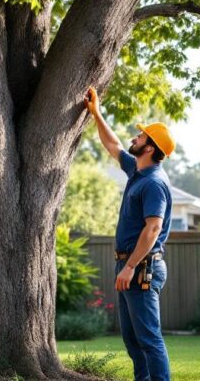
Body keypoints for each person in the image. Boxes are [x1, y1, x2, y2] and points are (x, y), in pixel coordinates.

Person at [83, 86, 174, 381]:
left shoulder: (154, 183)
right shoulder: (137, 171)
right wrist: (96, 113)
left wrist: (131, 266)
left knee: (149, 340)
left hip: (141, 267)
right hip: (127, 265)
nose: (135, 138)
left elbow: (154, 227)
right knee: (134, 343)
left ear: (150, 148)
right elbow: (113, 146)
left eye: (141, 136)